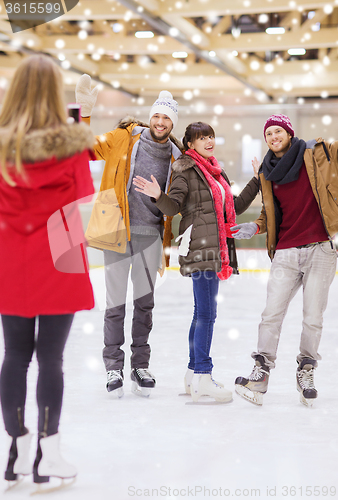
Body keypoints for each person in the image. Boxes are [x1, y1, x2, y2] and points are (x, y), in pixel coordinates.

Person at [0, 55, 96, 488]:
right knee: (51, 358)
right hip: (59, 254)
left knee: (15, 356)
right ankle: (49, 453)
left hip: (11, 259)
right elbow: (82, 199)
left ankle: (18, 452)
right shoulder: (73, 146)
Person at [133, 121, 259, 403]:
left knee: (201, 313)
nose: (209, 141)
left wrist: (257, 182)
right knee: (206, 314)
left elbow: (233, 208)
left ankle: (193, 374)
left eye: (211, 136)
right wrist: (158, 197)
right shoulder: (186, 171)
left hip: (215, 249)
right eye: (202, 138)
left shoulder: (215, 172)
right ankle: (203, 374)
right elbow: (174, 207)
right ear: (190, 144)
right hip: (201, 249)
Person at [76, 76, 183, 397]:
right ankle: (113, 367)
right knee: (115, 305)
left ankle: (140, 364)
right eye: (157, 115)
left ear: (172, 122)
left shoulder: (177, 157)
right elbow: (86, 149)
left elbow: (178, 202)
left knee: (145, 304)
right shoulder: (124, 138)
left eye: (167, 117)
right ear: (150, 117)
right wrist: (84, 113)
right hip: (116, 231)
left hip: (152, 237)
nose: (161, 121)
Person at [231, 114, 338, 407]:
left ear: (289, 133)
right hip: (286, 251)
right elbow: (270, 212)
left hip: (321, 248)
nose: (273, 136)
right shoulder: (267, 172)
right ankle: (261, 372)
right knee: (271, 314)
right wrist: (256, 226)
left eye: (278, 131)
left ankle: (306, 370)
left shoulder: (316, 153)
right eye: (269, 133)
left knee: (313, 316)